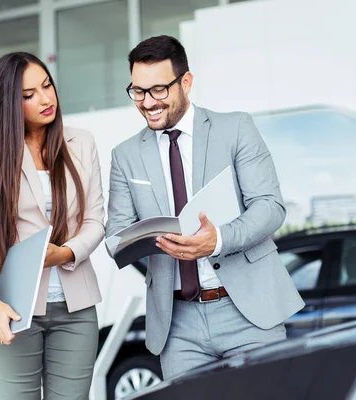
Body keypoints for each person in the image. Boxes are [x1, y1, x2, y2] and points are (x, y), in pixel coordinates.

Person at [105, 35, 305, 380]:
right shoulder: (124, 156)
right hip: (176, 323)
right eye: (138, 91)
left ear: (186, 82)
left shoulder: (236, 128)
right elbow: (116, 235)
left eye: (158, 90)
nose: (147, 102)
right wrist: (146, 242)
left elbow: (270, 207)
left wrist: (218, 241)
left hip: (248, 310)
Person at [0, 52, 105, 399]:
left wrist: (66, 252)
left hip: (76, 309)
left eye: (47, 86)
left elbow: (95, 220)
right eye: (29, 95)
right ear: (9, 103)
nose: (45, 98)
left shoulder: (81, 142)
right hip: (13, 307)